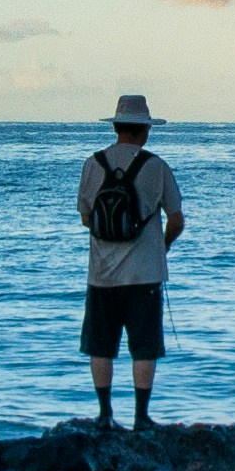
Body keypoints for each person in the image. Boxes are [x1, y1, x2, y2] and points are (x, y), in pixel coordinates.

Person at [77, 93, 187, 430]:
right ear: (145, 130)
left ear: (116, 127)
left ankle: (105, 414)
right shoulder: (156, 167)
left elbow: (85, 218)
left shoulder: (93, 164)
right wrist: (162, 246)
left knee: (101, 344)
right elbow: (177, 219)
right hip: (145, 274)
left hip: (102, 274)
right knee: (144, 346)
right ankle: (141, 417)